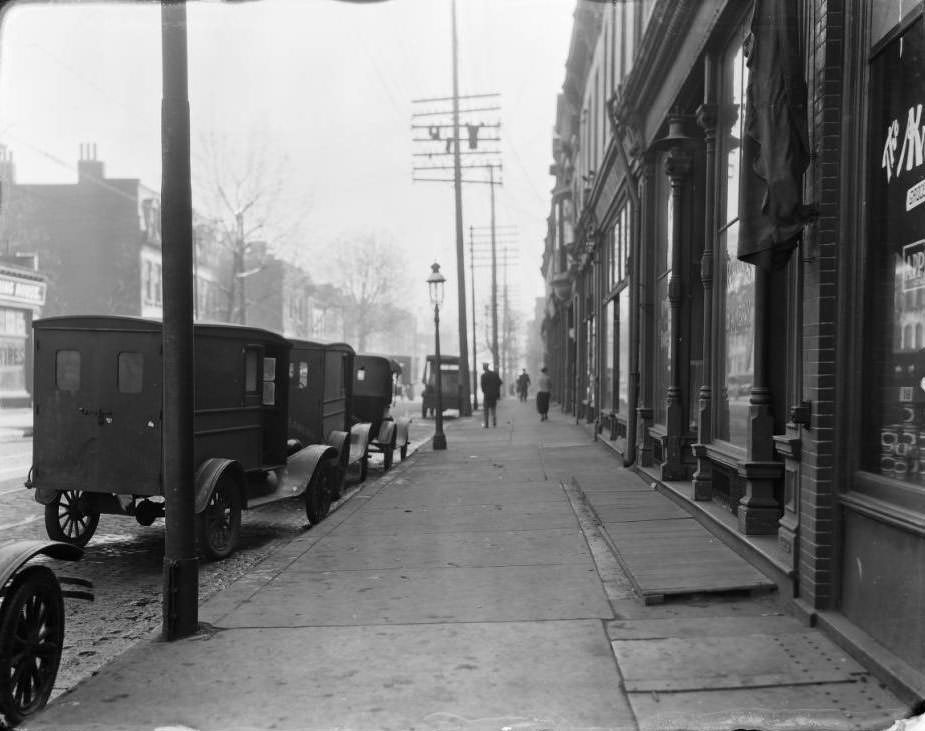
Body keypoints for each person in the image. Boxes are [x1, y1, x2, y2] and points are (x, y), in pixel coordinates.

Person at [480, 362, 502, 428]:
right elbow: (500, 382)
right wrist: (496, 389)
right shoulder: (495, 374)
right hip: (494, 395)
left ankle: (486, 424)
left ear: (484, 368)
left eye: (483, 367)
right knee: (493, 409)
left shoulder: (483, 376)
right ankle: (494, 422)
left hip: (487, 395)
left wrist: (485, 391)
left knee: (486, 410)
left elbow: (482, 386)